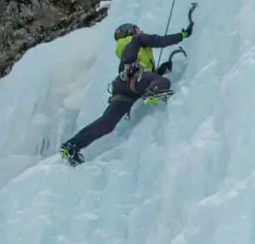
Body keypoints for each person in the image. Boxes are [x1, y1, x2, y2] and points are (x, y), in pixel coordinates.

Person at [59, 19, 192, 165]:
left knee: (106, 124)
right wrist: (182, 35)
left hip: (123, 88)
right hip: (134, 80)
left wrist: (160, 70)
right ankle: (152, 94)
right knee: (163, 83)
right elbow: (158, 40)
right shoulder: (137, 39)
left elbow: (144, 72)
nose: (141, 31)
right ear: (131, 31)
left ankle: (71, 146)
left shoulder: (128, 49)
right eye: (137, 29)